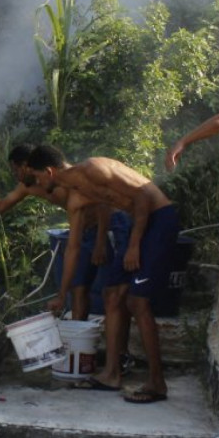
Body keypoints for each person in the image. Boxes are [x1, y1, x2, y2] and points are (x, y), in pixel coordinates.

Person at [27, 146, 179, 404]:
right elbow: (73, 249)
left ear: (49, 172)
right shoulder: (78, 197)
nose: (37, 184)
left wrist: (133, 245)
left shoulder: (92, 168)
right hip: (139, 225)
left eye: (37, 177)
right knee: (111, 294)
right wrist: (61, 295)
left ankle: (157, 382)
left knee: (137, 301)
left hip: (159, 218)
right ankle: (111, 373)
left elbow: (143, 196)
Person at [0, 145, 121, 322]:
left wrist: (101, 241)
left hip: (106, 228)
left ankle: (116, 341)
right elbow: (2, 204)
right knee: (77, 287)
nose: (15, 175)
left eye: (15, 169)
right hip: (82, 232)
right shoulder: (29, 186)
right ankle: (78, 341)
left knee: (113, 291)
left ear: (27, 166)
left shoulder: (65, 178)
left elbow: (103, 204)